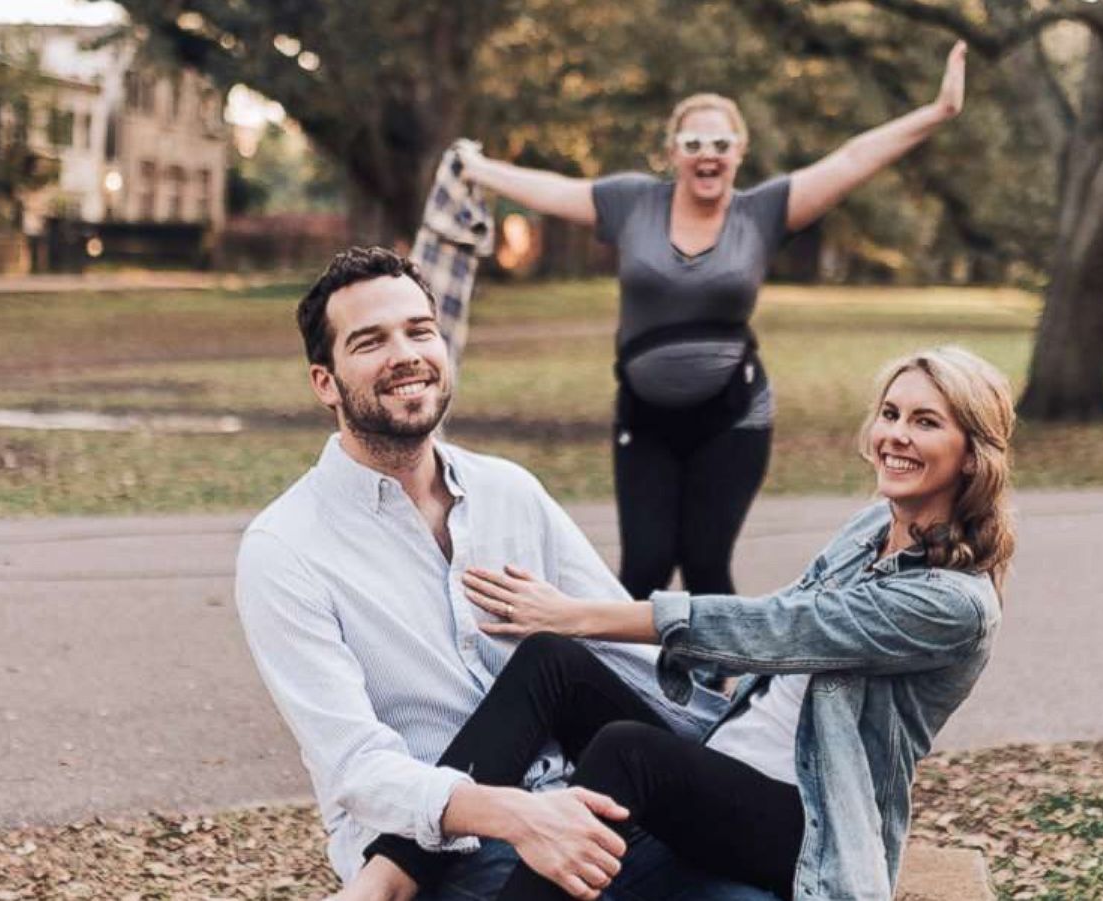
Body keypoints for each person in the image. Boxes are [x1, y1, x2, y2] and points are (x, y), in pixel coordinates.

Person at [344, 345, 1016, 901]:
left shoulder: (954, 603)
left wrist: (584, 614)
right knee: (552, 659)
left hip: (806, 825)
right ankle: (393, 872)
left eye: (926, 422)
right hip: (727, 764)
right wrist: (579, 636)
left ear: (972, 451)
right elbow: (785, 644)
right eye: (891, 413)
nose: (896, 435)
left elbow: (785, 626)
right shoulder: (876, 525)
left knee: (627, 749)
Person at [233, 246, 778, 901]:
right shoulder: (286, 548)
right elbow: (357, 767)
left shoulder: (509, 492)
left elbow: (619, 658)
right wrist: (517, 815)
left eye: (420, 330)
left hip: (589, 808)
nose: (405, 354)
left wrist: (747, 729)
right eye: (371, 340)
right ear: (325, 381)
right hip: (447, 855)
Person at [456, 43, 970, 601]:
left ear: (739, 151)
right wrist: (479, 169)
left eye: (721, 144)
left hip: (734, 419)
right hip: (644, 418)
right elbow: (555, 191)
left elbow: (849, 160)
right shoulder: (633, 203)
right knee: (645, 567)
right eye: (694, 143)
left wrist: (938, 111)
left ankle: (719, 689)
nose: (708, 155)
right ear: (673, 152)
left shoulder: (762, 212)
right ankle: (627, 685)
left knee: (705, 564)